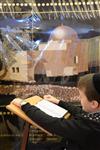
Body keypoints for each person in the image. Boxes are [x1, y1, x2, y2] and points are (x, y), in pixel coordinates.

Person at [11, 73, 100, 150]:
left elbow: (53, 123)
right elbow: (80, 112)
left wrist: (24, 105)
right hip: (69, 144)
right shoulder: (95, 116)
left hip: (68, 146)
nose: (80, 99)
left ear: (94, 104)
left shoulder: (90, 128)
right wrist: (58, 102)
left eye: (81, 97)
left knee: (21, 147)